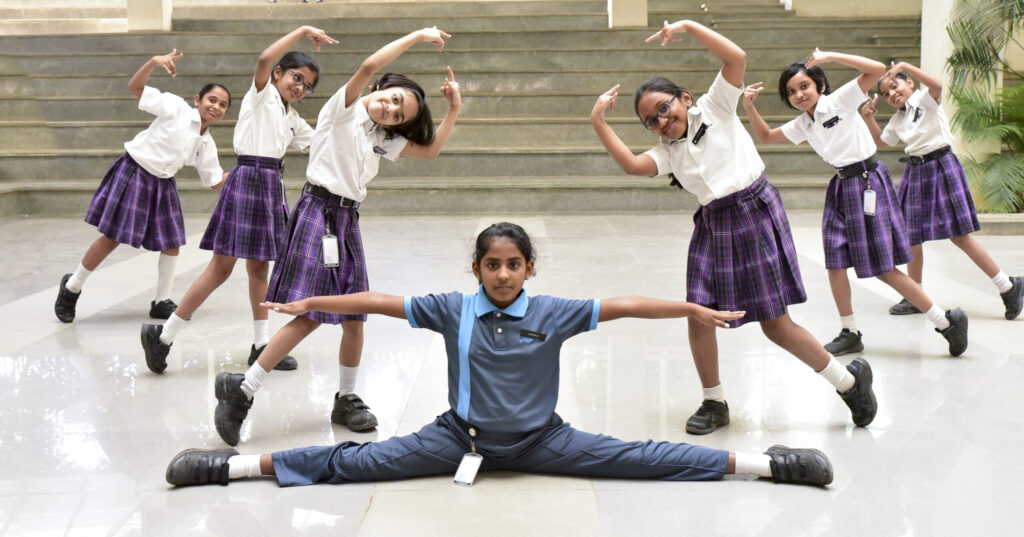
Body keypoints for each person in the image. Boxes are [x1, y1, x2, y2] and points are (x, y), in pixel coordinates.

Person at [165, 222, 834, 488]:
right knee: (353, 463)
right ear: (477, 267)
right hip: (459, 438)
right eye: (493, 264)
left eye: (514, 264)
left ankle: (768, 465)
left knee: (640, 457)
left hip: (544, 439)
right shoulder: (453, 308)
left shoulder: (553, 311)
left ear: (530, 267)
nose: (504, 274)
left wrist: (690, 308)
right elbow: (379, 301)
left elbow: (624, 304)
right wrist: (313, 299)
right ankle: (231, 469)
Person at [589, 20, 877, 435]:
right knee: (698, 315)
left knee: (775, 324)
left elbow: (736, 57)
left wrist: (688, 26)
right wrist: (600, 122)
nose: (661, 122)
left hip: (754, 211)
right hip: (713, 224)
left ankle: (849, 383)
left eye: (664, 109)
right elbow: (634, 166)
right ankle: (714, 401)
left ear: (684, 99)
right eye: (650, 121)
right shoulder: (667, 152)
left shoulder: (716, 106)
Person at [211, 26, 462, 442]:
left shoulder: (379, 137)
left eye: (399, 115)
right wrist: (417, 36)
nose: (390, 110)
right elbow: (368, 65)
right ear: (386, 86)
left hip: (345, 221)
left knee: (355, 315)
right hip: (317, 212)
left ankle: (346, 398)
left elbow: (431, 151)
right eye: (393, 98)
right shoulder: (343, 109)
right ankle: (243, 390)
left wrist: (454, 109)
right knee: (309, 315)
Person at [742, 49, 969, 357]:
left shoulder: (842, 100)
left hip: (867, 182)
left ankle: (945, 322)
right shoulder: (804, 124)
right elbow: (767, 137)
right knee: (835, 262)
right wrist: (749, 107)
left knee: (884, 268)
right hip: (841, 187)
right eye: (791, 92)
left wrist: (829, 56)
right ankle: (849, 331)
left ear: (820, 85)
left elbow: (875, 69)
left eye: (804, 86)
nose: (799, 94)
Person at [140, 27, 336, 375]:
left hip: (270, 183)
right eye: (296, 77)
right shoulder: (261, 95)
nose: (300, 87)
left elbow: (325, 139)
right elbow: (263, 58)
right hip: (248, 179)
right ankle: (164, 335)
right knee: (221, 268)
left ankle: (261, 345)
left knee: (260, 268)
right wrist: (303, 31)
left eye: (307, 85)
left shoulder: (291, 118)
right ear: (278, 73)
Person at [55, 50, 229, 324]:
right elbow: (135, 87)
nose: (216, 107)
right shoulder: (175, 108)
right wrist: (152, 63)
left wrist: (250, 171)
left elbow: (216, 180)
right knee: (112, 237)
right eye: (212, 100)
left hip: (163, 183)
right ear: (198, 100)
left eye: (223, 105)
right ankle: (71, 287)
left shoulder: (207, 143)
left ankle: (161, 301)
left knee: (172, 244)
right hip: (135, 171)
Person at [861, 61, 1022, 320]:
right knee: (911, 236)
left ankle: (1008, 286)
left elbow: (938, 85)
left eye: (895, 85)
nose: (892, 94)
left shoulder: (926, 99)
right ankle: (916, 294)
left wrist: (903, 65)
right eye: (887, 94)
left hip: (942, 165)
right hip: (916, 172)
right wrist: (869, 117)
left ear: (909, 82)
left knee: (959, 236)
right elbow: (882, 141)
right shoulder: (897, 119)